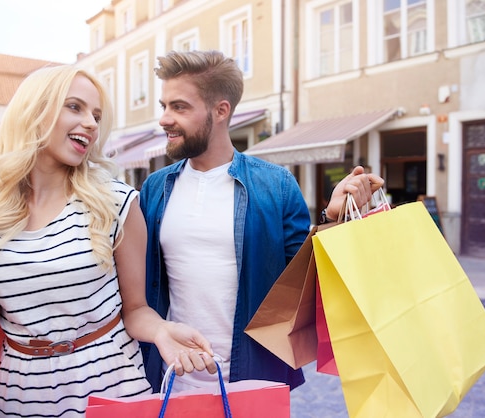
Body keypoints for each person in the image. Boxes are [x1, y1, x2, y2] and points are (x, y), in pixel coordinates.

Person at [0, 65, 216, 417]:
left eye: (96, 115)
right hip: (21, 396)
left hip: (112, 389)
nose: (91, 123)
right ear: (35, 111)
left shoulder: (116, 202)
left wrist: (163, 330)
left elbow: (135, 310)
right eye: (75, 107)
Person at [139, 50, 385, 392]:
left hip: (254, 380)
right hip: (170, 380)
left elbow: (306, 287)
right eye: (164, 106)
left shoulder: (276, 185)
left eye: (179, 107)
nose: (165, 119)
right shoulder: (154, 188)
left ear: (221, 110)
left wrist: (333, 219)